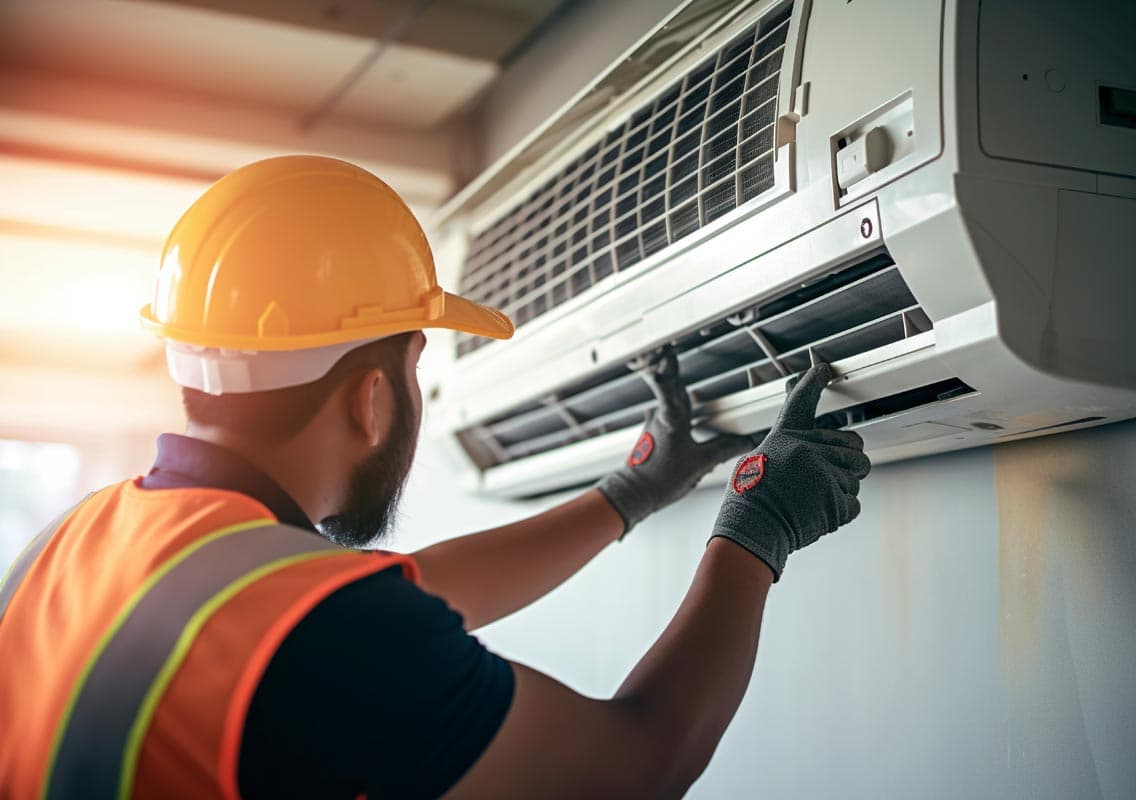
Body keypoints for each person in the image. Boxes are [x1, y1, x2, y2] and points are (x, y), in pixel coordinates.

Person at [0, 155, 870, 799]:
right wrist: (756, 534)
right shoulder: (320, 624)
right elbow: (636, 767)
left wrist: (629, 494)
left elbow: (413, 590)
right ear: (373, 398)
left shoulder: (66, 547)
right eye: (418, 364)